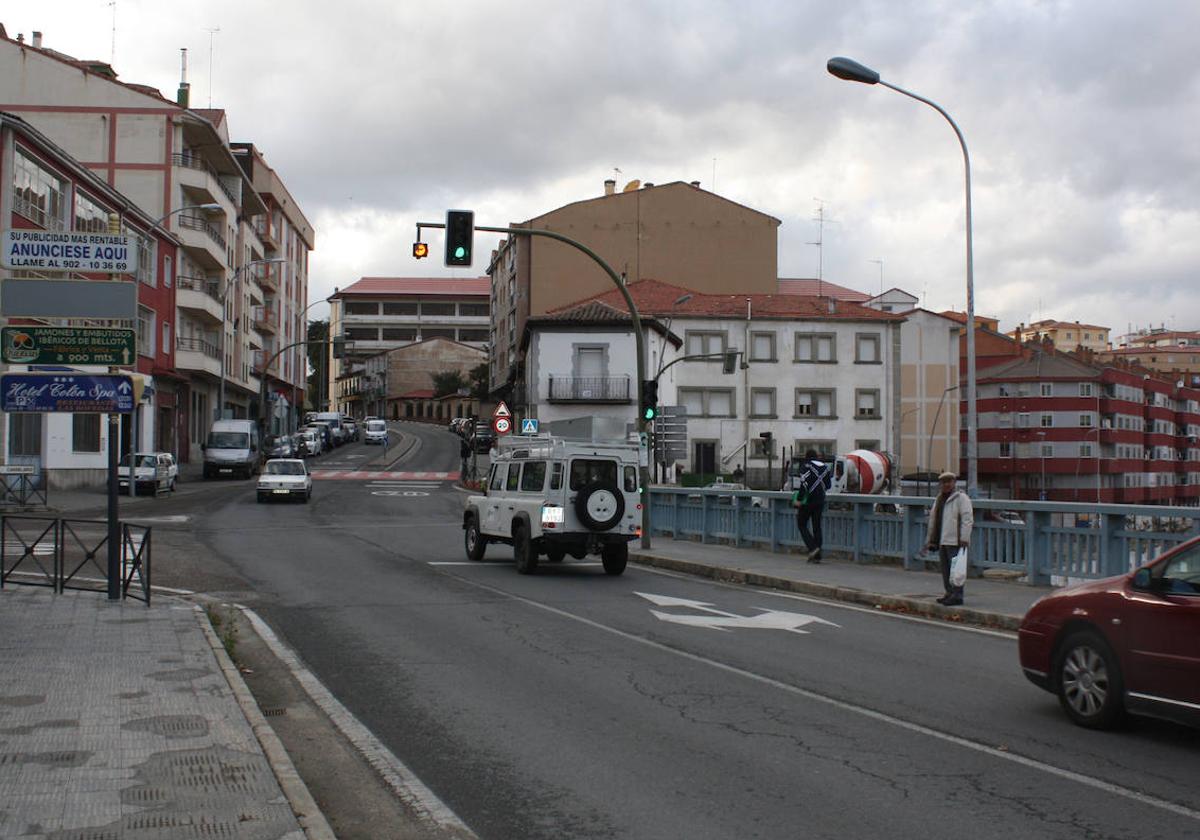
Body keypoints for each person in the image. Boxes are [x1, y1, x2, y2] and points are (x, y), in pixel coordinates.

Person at [926, 471, 973, 606]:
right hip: (942, 538)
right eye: (943, 482)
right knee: (946, 569)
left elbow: (967, 518)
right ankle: (949, 592)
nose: (946, 485)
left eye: (949, 482)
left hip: (956, 539)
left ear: (954, 483)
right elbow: (933, 520)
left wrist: (964, 537)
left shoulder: (961, 498)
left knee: (956, 570)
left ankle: (957, 595)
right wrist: (930, 539)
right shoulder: (939, 499)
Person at [789, 449, 830, 563]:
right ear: (816, 456)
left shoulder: (806, 466)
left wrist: (799, 500)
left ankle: (812, 548)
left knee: (801, 523)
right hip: (820, 500)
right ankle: (817, 556)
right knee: (817, 526)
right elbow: (828, 485)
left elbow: (804, 486)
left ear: (807, 457)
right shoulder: (825, 467)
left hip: (809, 500)